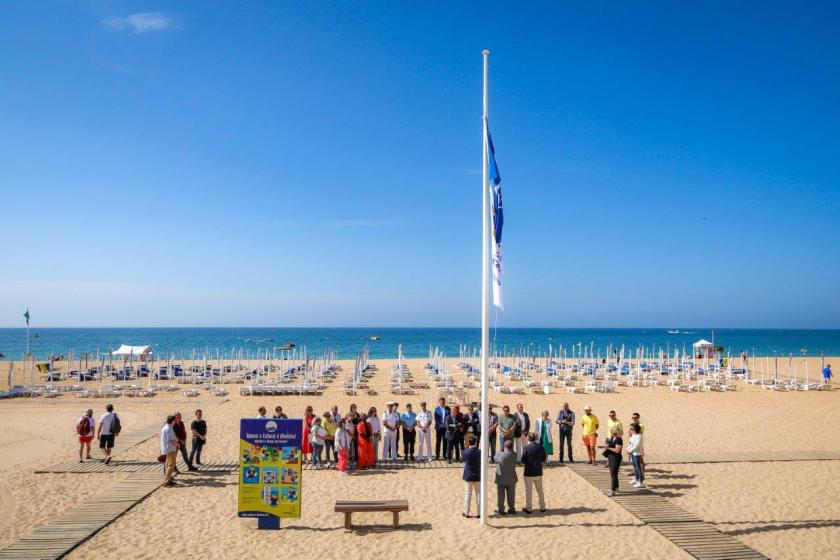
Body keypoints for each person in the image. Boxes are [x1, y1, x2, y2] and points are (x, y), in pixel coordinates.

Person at [521, 432, 547, 513]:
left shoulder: (526, 448)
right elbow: (543, 459)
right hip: (538, 472)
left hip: (529, 472)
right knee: (540, 490)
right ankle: (542, 507)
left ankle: (529, 509)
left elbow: (523, 460)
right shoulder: (540, 447)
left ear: (528, 438)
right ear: (535, 438)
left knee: (529, 491)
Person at [494, 439, 518, 515]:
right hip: (511, 477)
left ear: (504, 446)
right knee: (511, 495)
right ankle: (511, 509)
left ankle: (501, 510)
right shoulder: (515, 454)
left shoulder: (500, 454)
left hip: (501, 478)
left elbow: (494, 458)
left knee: (501, 495)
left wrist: (501, 449)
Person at [598, 426, 624, 496]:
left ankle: (612, 491)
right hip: (611, 457)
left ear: (615, 432)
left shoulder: (619, 439)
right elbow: (611, 446)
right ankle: (616, 488)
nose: (610, 432)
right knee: (613, 474)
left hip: (616, 458)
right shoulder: (613, 437)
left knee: (613, 474)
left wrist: (608, 447)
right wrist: (605, 446)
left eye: (611, 431)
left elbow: (617, 450)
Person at [462, 436, 481, 518]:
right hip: (477, 475)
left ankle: (466, 512)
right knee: (479, 494)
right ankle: (479, 513)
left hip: (469, 475)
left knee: (468, 494)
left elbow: (463, 459)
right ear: (475, 442)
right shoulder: (479, 451)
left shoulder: (465, 452)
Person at [161, 415, 179, 487]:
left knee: (169, 465)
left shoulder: (166, 427)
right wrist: (177, 444)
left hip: (168, 448)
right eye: (174, 421)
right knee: (171, 465)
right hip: (170, 449)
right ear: (172, 421)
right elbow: (171, 440)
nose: (175, 422)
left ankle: (169, 479)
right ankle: (166, 481)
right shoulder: (168, 428)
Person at [626, 423, 645, 489]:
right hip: (633, 453)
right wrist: (628, 449)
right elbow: (631, 443)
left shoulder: (639, 436)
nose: (630, 430)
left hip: (637, 453)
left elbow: (637, 446)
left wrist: (630, 450)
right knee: (634, 466)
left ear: (635, 429)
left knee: (638, 467)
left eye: (631, 428)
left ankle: (641, 481)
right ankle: (636, 479)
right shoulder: (634, 435)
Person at [627, 412, 645, 478]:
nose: (633, 419)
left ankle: (642, 474)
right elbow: (629, 433)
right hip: (632, 441)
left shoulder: (641, 425)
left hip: (638, 443)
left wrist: (631, 432)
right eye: (633, 418)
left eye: (635, 418)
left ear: (638, 418)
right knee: (633, 460)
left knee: (640, 460)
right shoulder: (632, 424)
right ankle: (634, 472)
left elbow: (638, 433)